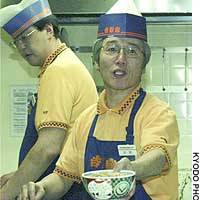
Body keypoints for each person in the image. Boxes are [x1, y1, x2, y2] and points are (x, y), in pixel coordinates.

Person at [18, 0, 179, 199]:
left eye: (132, 51)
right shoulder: (85, 120)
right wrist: (41, 189)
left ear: (144, 66)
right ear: (96, 61)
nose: (121, 59)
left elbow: (158, 158)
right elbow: (63, 176)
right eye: (111, 49)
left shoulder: (158, 113)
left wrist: (132, 168)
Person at [0, 0, 98, 199]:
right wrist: (18, 177)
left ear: (49, 30)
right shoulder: (63, 63)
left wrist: (7, 195)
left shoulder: (58, 70)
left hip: (67, 190)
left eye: (26, 37)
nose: (21, 46)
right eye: (16, 41)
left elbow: (48, 148)